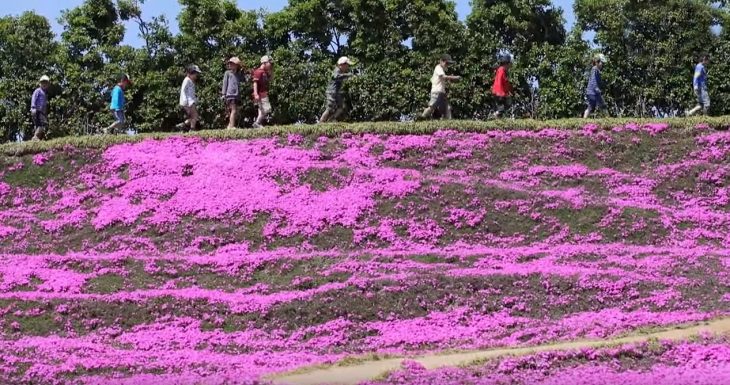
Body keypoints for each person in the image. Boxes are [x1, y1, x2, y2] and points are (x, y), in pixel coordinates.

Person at [419, 54, 460, 120]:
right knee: (432, 107)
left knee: (447, 108)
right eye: (446, 63)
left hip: (441, 92)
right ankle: (422, 117)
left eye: (448, 64)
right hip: (436, 92)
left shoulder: (442, 69)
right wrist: (454, 77)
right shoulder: (438, 68)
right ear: (441, 61)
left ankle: (449, 122)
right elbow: (443, 77)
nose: (447, 65)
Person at [319, 56, 355, 123]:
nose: (348, 67)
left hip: (337, 92)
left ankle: (331, 120)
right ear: (342, 64)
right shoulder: (337, 70)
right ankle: (321, 122)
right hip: (331, 92)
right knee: (329, 108)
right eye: (347, 65)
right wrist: (347, 75)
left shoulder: (341, 71)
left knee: (341, 107)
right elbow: (336, 76)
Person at [177, 65, 202, 131]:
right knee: (195, 116)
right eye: (195, 74)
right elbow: (183, 90)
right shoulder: (187, 80)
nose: (196, 76)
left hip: (191, 101)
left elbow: (191, 93)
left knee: (194, 116)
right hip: (188, 102)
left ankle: (183, 125)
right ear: (191, 73)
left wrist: (195, 99)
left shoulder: (191, 81)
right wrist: (185, 101)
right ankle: (192, 129)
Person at [252, 55, 274, 129]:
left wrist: (271, 70)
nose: (270, 65)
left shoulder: (265, 72)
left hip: (264, 93)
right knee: (267, 109)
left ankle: (257, 123)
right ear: (264, 63)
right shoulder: (258, 72)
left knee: (262, 109)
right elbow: (255, 83)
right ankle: (257, 122)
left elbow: (271, 79)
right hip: (260, 94)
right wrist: (255, 94)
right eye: (269, 63)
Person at [221, 57, 243, 129]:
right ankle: (232, 126)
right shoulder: (227, 73)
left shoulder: (238, 74)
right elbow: (225, 83)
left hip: (237, 95)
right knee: (233, 110)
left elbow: (244, 79)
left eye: (232, 63)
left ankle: (229, 125)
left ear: (236, 65)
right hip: (230, 95)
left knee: (235, 111)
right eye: (229, 63)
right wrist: (223, 94)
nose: (230, 65)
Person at [583, 54, 606, 119]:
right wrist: (597, 89)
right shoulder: (594, 69)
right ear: (598, 62)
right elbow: (593, 81)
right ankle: (609, 120)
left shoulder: (596, 70)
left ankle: (584, 119)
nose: (602, 65)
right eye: (602, 63)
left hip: (593, 92)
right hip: (593, 92)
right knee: (602, 106)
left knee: (591, 107)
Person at [492, 54, 513, 119]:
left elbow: (505, 83)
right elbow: (499, 82)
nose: (510, 66)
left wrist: (507, 92)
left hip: (502, 92)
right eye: (509, 64)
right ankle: (495, 115)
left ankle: (498, 118)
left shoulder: (504, 71)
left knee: (506, 105)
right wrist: (501, 93)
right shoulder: (501, 70)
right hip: (499, 92)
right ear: (506, 64)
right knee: (501, 108)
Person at [30, 75, 51, 140]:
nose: (44, 84)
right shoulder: (38, 91)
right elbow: (33, 98)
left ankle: (37, 137)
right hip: (37, 110)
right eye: (43, 82)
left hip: (42, 112)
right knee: (43, 124)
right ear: (40, 83)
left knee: (40, 124)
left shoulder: (44, 93)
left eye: (46, 83)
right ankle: (35, 136)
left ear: (48, 84)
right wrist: (33, 107)